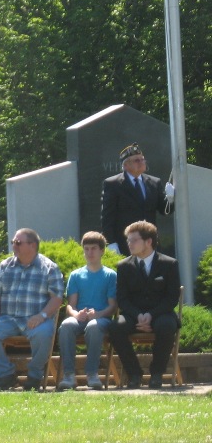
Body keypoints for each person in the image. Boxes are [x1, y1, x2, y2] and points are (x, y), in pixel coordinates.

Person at [0, 228, 64, 391]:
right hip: (8, 319)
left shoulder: (49, 268)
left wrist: (42, 315)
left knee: (44, 333)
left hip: (36, 319)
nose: (14, 246)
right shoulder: (5, 266)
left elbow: (57, 298)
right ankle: (6, 375)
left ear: (32, 245)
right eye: (13, 242)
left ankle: (35, 376)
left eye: (18, 243)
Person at [107, 220, 180, 389]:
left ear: (148, 241)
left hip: (161, 313)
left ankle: (157, 374)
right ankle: (134, 374)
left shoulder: (169, 264)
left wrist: (151, 315)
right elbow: (122, 299)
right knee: (116, 327)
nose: (129, 244)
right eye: (128, 240)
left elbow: (172, 298)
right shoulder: (124, 266)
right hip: (134, 314)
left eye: (134, 240)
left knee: (167, 325)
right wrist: (139, 315)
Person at [57, 232, 117, 391]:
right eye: (87, 249)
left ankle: (92, 374)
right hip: (80, 317)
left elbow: (112, 306)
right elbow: (70, 305)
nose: (90, 253)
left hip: (101, 318)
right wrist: (76, 314)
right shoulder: (76, 275)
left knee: (93, 326)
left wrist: (98, 314)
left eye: (94, 248)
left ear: (102, 251)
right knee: (66, 325)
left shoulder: (110, 275)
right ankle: (69, 375)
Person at [101, 142, 174, 255]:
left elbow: (164, 211)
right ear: (125, 165)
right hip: (126, 244)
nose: (141, 162)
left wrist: (170, 199)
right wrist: (110, 242)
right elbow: (107, 217)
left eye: (142, 159)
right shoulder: (113, 184)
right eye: (136, 160)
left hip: (150, 243)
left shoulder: (154, 182)